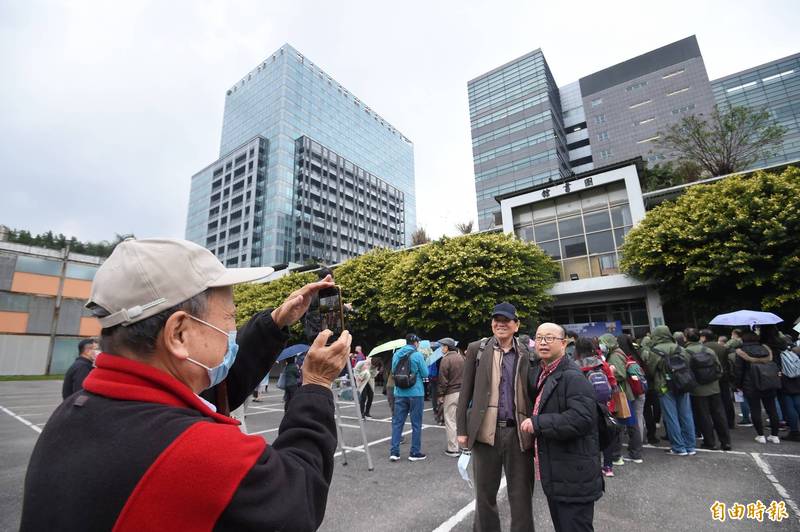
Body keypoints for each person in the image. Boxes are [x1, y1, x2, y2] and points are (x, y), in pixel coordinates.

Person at [21, 238, 351, 531]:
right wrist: (317, 384)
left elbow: (210, 394)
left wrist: (277, 320)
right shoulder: (198, 455)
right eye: (229, 317)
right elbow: (299, 497)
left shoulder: (75, 412)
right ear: (179, 333)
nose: (232, 329)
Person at [456, 302, 535, 532]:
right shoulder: (476, 349)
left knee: (521, 496)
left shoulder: (526, 353)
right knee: (484, 495)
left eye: (506, 320)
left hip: (519, 433)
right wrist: (461, 430)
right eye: (496, 320)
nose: (500, 324)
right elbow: (465, 393)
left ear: (516, 325)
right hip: (484, 433)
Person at [521, 323, 603, 532]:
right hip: (559, 473)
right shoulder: (544, 372)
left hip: (574, 475)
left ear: (564, 343)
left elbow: (582, 418)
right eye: (539, 338)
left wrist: (538, 423)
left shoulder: (572, 376)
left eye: (549, 338)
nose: (543, 343)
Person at [641, 325, 697, 456]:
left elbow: (650, 370)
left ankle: (679, 447)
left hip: (664, 386)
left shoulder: (653, 351)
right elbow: (689, 364)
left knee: (671, 417)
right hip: (683, 385)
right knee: (686, 415)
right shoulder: (681, 348)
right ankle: (690, 446)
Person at [573, 337, 618, 477]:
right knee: (605, 433)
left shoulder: (574, 365)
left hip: (585, 406)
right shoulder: (601, 363)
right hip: (603, 405)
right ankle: (608, 467)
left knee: (589, 437)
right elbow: (612, 382)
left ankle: (593, 467)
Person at [685, 328, 731, 450]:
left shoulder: (685, 352)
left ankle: (710, 442)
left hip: (697, 390)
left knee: (703, 416)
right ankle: (726, 442)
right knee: (719, 415)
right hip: (714, 387)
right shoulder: (709, 350)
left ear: (686, 338)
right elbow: (719, 369)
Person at [601, 334, 643, 464]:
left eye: (603, 342)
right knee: (630, 423)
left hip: (621, 394)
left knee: (620, 424)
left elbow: (620, 374)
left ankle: (619, 455)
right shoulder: (619, 352)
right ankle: (635, 453)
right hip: (625, 393)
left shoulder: (614, 355)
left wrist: (608, 372)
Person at [735, 329, 781, 443]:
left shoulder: (741, 351)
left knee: (755, 409)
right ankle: (775, 436)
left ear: (743, 339)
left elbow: (739, 370)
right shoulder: (766, 349)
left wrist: (738, 384)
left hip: (751, 384)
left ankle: (760, 435)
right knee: (772, 409)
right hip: (769, 381)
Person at [390, 334, 429, 462]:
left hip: (400, 392)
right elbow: (425, 373)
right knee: (416, 424)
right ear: (416, 343)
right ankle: (414, 452)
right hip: (416, 392)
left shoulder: (396, 355)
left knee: (397, 423)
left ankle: (394, 452)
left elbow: (393, 371)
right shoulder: (417, 355)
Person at [700, 329, 736, 430]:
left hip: (710, 377)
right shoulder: (723, 347)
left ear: (704, 337)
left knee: (713, 402)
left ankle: (717, 423)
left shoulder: (703, 348)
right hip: (723, 375)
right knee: (727, 399)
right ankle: (730, 421)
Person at [437, 337, 463, 457]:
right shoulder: (461, 357)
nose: (441, 348)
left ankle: (453, 448)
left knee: (450, 420)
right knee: (458, 420)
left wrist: (441, 394)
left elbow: (443, 380)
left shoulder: (446, 359)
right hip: (462, 392)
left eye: (442, 346)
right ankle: (460, 445)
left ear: (447, 347)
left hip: (451, 392)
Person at [639, 335, 662, 445]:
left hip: (644, 386)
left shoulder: (640, 352)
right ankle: (654, 430)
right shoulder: (655, 352)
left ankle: (650, 435)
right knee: (656, 407)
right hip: (654, 385)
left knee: (646, 411)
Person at [727, 329, 751, 426]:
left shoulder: (735, 350)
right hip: (751, 376)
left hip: (739, 377)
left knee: (742, 397)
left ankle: (746, 418)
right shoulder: (750, 346)